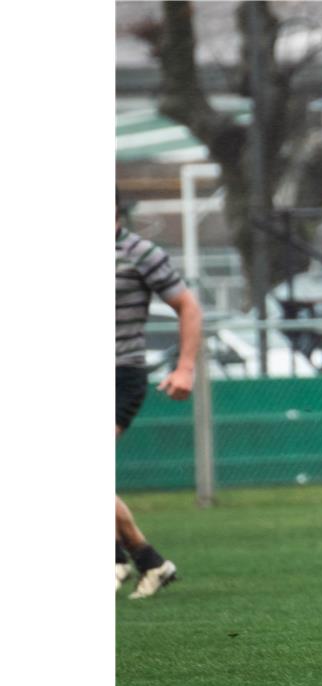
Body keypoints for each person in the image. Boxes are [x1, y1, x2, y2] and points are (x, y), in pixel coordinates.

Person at [115, 190, 203, 599]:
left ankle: (136, 558)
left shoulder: (139, 252)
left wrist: (185, 367)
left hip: (119, 373)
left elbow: (188, 306)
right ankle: (134, 559)